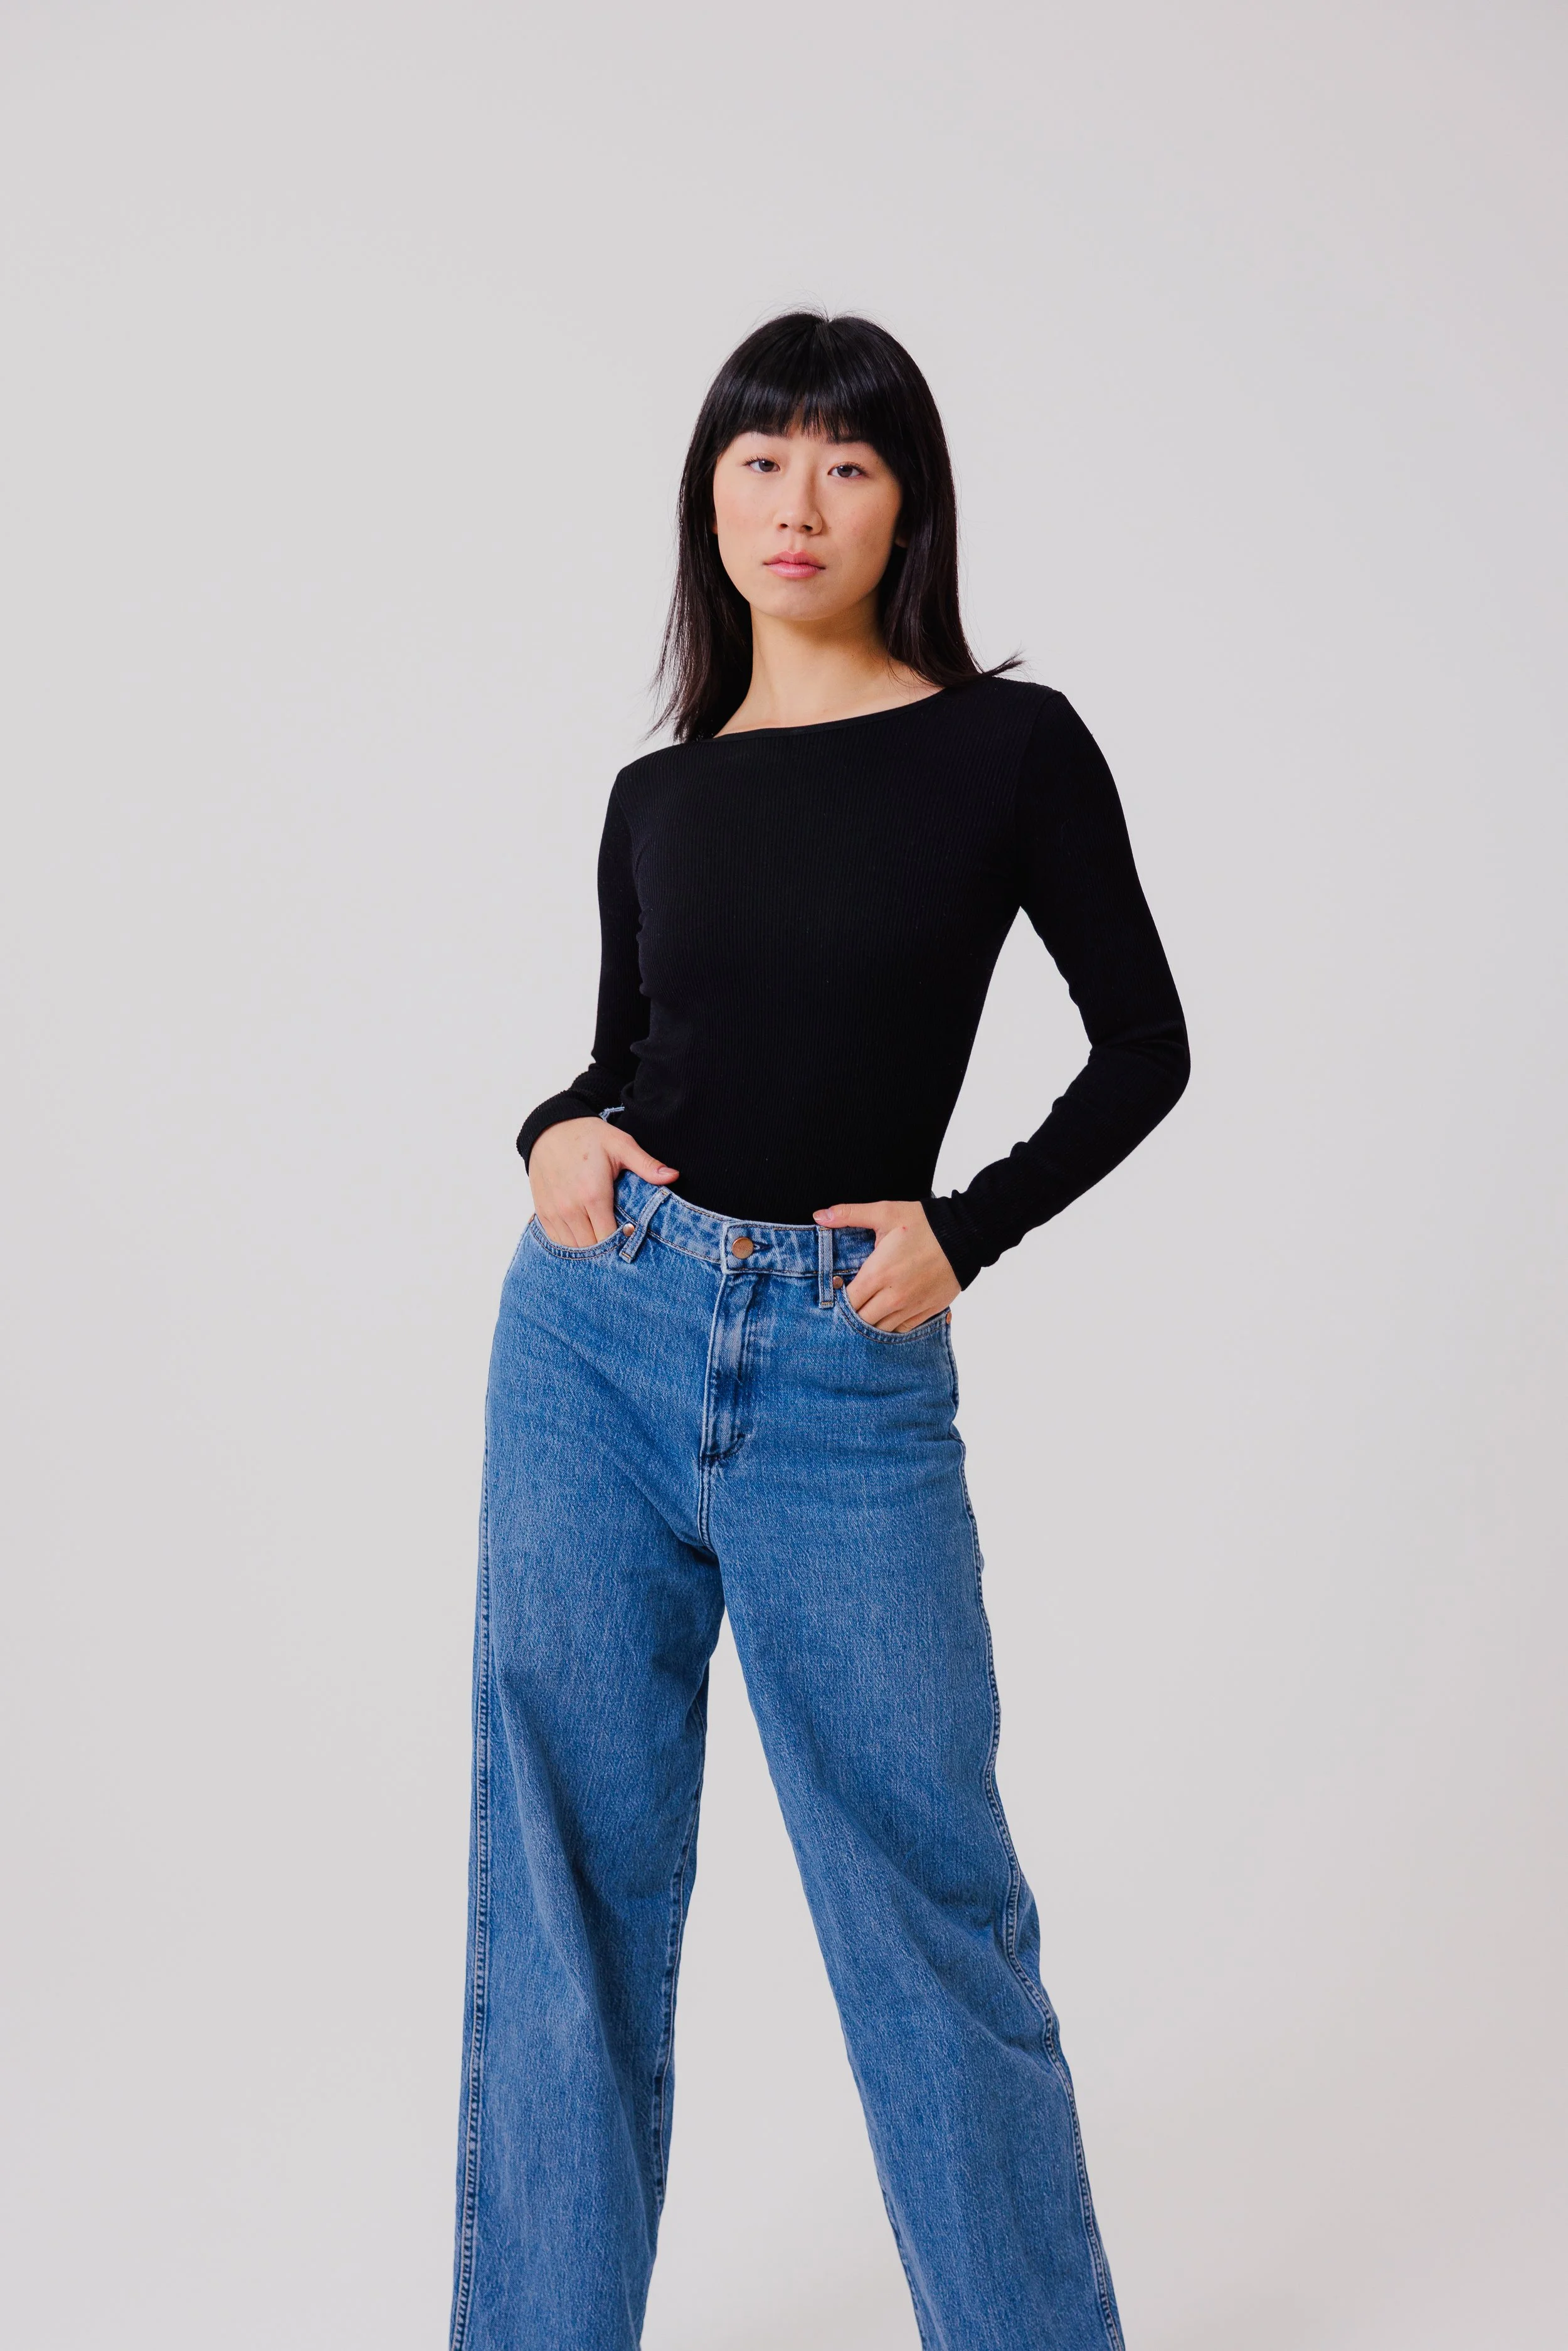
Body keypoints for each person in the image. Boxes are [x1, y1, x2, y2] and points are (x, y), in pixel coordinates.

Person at [448, 310, 1190, 2351]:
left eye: (844, 463)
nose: (797, 499)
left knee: (928, 1902)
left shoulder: (1007, 748)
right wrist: (546, 1135)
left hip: (844, 1372)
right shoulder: (657, 792)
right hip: (590, 1347)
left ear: (904, 502)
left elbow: (1147, 1045)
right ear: (709, 493)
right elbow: (626, 1059)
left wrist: (968, 1227)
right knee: (564, 1893)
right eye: (760, 457)